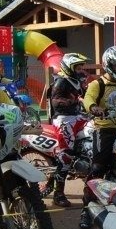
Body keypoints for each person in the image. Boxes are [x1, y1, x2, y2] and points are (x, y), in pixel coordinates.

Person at [79, 46, 116, 229]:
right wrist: (94, 108)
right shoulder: (98, 84)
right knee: (97, 167)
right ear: (108, 65)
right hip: (105, 130)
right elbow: (89, 99)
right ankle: (86, 209)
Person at [47, 52, 89, 208]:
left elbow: (86, 97)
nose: (80, 70)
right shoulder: (61, 82)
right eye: (77, 67)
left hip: (77, 117)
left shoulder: (76, 81)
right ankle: (58, 194)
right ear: (69, 67)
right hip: (64, 119)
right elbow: (56, 102)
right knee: (66, 156)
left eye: (81, 67)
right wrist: (74, 100)